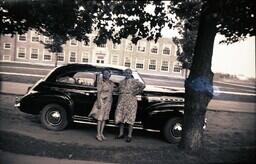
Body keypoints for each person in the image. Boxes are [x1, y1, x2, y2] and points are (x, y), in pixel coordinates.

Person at [115, 68, 145, 142]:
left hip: (131, 101)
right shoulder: (121, 82)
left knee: (130, 118)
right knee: (121, 117)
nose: (127, 74)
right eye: (126, 72)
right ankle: (121, 134)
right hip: (122, 101)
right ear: (124, 74)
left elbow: (143, 86)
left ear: (131, 73)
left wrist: (136, 92)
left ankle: (129, 135)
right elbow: (117, 89)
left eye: (129, 72)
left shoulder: (135, 81)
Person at [89, 69, 114, 141]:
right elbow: (99, 93)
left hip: (108, 102)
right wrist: (99, 102)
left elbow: (114, 90)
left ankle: (101, 133)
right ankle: (98, 134)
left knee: (104, 118)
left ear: (110, 75)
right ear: (103, 74)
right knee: (100, 118)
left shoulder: (111, 83)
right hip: (102, 101)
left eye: (108, 73)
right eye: (105, 73)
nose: (106, 75)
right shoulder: (101, 82)